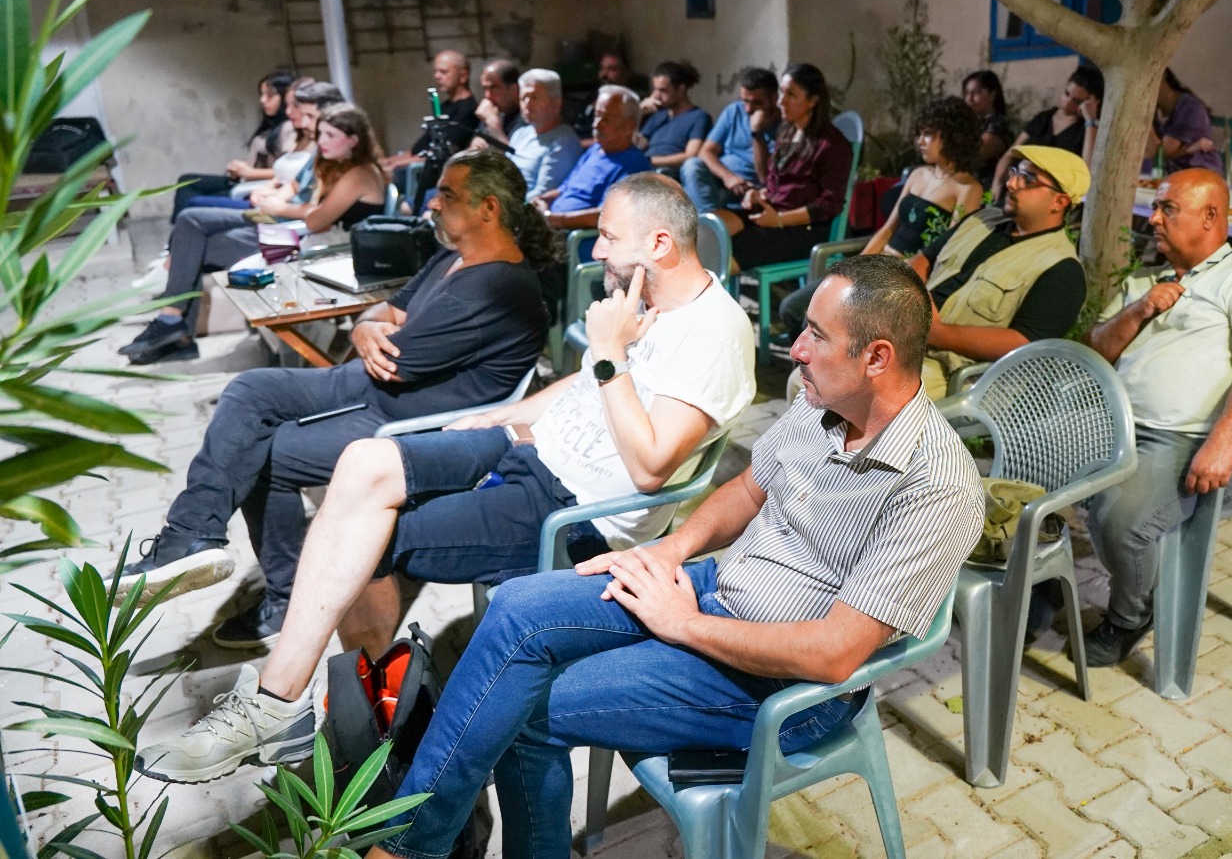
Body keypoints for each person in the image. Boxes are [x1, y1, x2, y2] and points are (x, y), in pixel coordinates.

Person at [338, 256, 983, 859]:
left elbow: (835, 654)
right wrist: (668, 549)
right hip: (713, 589)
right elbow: (748, 488)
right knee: (515, 608)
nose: (796, 349)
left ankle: (407, 846)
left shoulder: (936, 484)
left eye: (816, 335)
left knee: (523, 711)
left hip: (788, 686)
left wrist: (684, 625)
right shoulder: (825, 405)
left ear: (876, 357)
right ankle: (412, 843)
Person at [133, 175, 758, 785]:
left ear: (658, 244)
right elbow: (584, 384)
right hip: (527, 448)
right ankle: (328, 701)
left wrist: (610, 353)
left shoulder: (716, 335)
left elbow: (651, 468)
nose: (596, 251)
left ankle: (295, 704)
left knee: (365, 540)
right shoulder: (648, 302)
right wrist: (505, 415)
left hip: (573, 511)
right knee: (362, 462)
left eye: (608, 237)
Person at [119, 149, 556, 652]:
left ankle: (277, 592)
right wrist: (367, 326)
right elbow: (387, 312)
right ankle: (192, 535)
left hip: (412, 421)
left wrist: (373, 330)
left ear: (489, 208)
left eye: (447, 194)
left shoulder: (498, 287)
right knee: (249, 390)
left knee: (263, 450)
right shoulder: (454, 256)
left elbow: (396, 358)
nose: (432, 203)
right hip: (375, 390)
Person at [1084, 169, 1232, 665]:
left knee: (1121, 522)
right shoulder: (1147, 279)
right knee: (1032, 474)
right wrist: (1139, 310)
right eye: (1155, 208)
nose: (1153, 219)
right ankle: (1037, 587)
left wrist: (1222, 445)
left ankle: (1131, 615)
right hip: (1118, 424)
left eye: (1168, 209)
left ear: (1210, 216)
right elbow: (1095, 351)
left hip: (1192, 439)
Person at [122, 101, 385, 365]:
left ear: (353, 141)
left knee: (196, 245)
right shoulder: (336, 165)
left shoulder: (358, 174)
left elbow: (317, 220)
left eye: (330, 135)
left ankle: (175, 327)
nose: (321, 141)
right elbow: (310, 206)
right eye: (321, 134)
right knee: (191, 231)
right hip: (301, 234)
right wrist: (279, 201)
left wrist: (280, 207)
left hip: (322, 248)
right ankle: (174, 324)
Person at [778, 95, 986, 343]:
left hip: (901, 276)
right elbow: (888, 229)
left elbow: (948, 253)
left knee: (815, 321)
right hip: (876, 263)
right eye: (919, 133)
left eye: (928, 134)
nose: (919, 141)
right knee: (791, 308)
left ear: (952, 137)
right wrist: (855, 266)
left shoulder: (967, 189)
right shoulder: (918, 175)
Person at [912, 145, 1089, 398]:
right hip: (906, 334)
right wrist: (909, 297)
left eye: (1028, 180)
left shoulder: (1063, 269)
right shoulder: (982, 219)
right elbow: (924, 259)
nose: (1011, 184)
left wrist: (936, 333)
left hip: (954, 373)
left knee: (869, 387)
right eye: (1014, 172)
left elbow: (1022, 343)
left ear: (1058, 202)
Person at [715, 62, 852, 269]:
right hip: (772, 213)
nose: (781, 101)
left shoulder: (831, 144)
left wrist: (779, 219)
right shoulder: (787, 131)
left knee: (723, 252)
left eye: (791, 95)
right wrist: (759, 194)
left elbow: (829, 205)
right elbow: (773, 182)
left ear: (813, 101)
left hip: (803, 228)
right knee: (709, 227)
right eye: (781, 93)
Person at [170, 71, 297, 218]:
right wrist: (241, 168)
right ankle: (178, 227)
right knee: (186, 181)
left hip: (256, 185)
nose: (262, 100)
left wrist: (250, 172)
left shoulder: (289, 128)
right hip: (242, 180)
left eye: (269, 95)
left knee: (195, 202)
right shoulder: (271, 124)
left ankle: (182, 227)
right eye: (261, 95)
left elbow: (288, 172)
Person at [534, 85, 653, 230]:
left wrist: (555, 219)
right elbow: (566, 188)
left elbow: (605, 215)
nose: (596, 124)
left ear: (629, 126)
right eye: (596, 115)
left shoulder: (634, 166)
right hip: (552, 225)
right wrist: (542, 200)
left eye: (606, 119)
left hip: (575, 237)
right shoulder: (595, 150)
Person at [989, 64, 1105, 202]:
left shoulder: (1086, 130)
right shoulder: (1043, 118)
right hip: (1017, 186)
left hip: (1050, 197)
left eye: (1077, 101)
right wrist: (997, 183)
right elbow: (1010, 153)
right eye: (1067, 94)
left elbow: (1087, 171)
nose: (1068, 102)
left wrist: (1090, 120)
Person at [384, 51, 478, 210]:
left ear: (463, 75)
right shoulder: (445, 107)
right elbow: (419, 147)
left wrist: (395, 165)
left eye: (444, 72)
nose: (437, 76)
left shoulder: (467, 110)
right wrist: (389, 161)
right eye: (436, 71)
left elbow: (442, 154)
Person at [680, 66, 778, 212]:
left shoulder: (784, 127)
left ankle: (710, 222)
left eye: (756, 103)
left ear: (774, 98)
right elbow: (705, 151)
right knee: (692, 165)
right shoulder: (734, 111)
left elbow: (764, 177)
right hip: (721, 180)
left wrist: (757, 133)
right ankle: (712, 221)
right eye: (745, 101)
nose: (748, 109)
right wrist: (728, 177)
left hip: (750, 190)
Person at [506, 69, 583, 198]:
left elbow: (543, 194)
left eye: (534, 97)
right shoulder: (520, 134)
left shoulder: (564, 143)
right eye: (523, 98)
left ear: (556, 103)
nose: (527, 104)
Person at [636, 60, 712, 176]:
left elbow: (691, 155)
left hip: (669, 174)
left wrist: (650, 161)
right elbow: (637, 145)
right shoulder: (658, 116)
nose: (656, 96)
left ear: (681, 90)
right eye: (655, 89)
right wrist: (638, 113)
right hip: (644, 171)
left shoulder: (699, 117)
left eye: (662, 90)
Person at [1147, 69, 1220, 174]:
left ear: (1162, 76)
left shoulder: (1190, 108)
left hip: (1198, 173)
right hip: (1173, 173)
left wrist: (1143, 121)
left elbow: (1160, 153)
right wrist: (1186, 150)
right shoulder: (1160, 111)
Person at [574, 50, 641, 145]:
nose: (604, 74)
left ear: (625, 72)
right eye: (602, 68)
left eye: (611, 69)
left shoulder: (630, 102)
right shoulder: (593, 96)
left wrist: (579, 144)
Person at [962, 69, 1015, 186]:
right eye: (966, 93)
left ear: (992, 95)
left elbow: (976, 153)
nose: (969, 98)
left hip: (989, 189)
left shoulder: (999, 124)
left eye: (976, 93)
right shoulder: (969, 122)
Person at [467, 58, 525, 153]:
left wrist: (493, 124)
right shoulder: (495, 111)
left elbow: (516, 158)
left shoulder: (528, 117)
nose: (487, 95)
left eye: (494, 88)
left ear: (514, 89)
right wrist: (475, 145)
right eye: (485, 88)